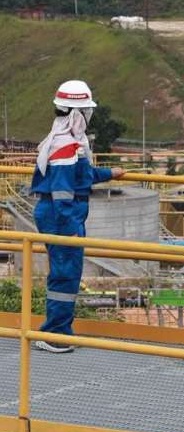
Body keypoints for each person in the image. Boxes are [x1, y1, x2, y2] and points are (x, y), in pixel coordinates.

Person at [31, 80, 124, 353]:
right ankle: (55, 334)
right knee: (65, 273)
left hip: (62, 213)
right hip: (62, 215)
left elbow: (81, 177)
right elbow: (62, 192)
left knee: (66, 272)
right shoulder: (65, 146)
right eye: (85, 112)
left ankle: (58, 329)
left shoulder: (69, 143)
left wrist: (109, 174)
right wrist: (70, 227)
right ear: (76, 113)